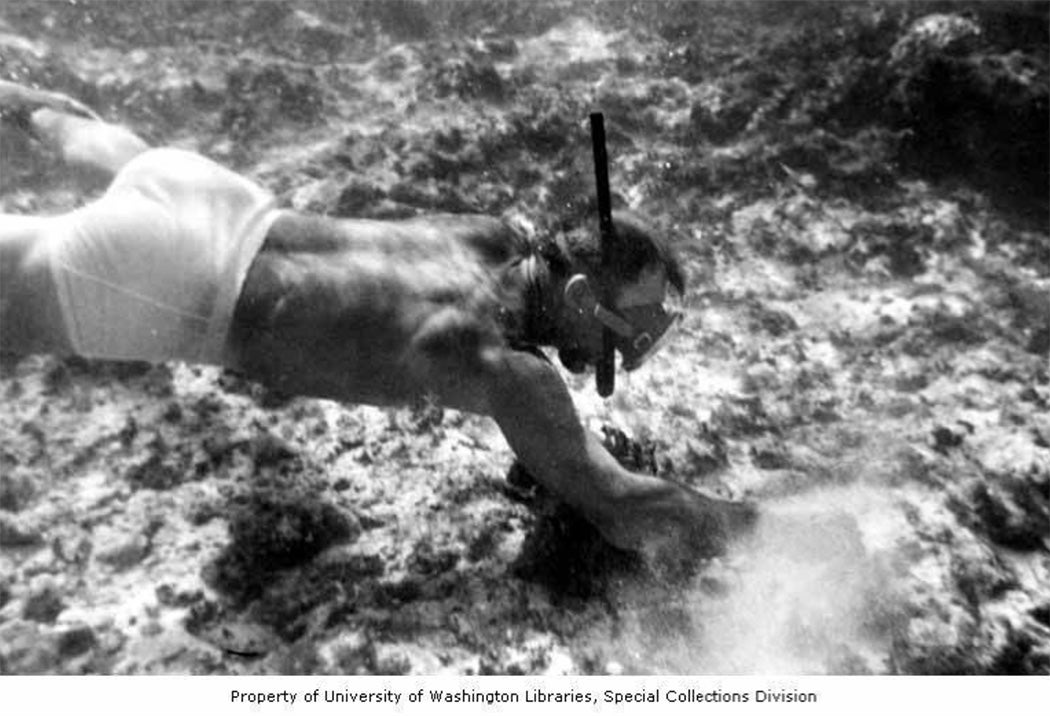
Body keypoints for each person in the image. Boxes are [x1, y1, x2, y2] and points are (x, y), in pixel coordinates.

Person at [0, 80, 755, 575]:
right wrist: (767, 528)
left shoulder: (493, 236)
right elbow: (618, 504)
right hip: (181, 287)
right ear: (586, 298)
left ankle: (25, 105)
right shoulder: (510, 370)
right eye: (631, 335)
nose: (626, 357)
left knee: (83, 135)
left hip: (210, 195)